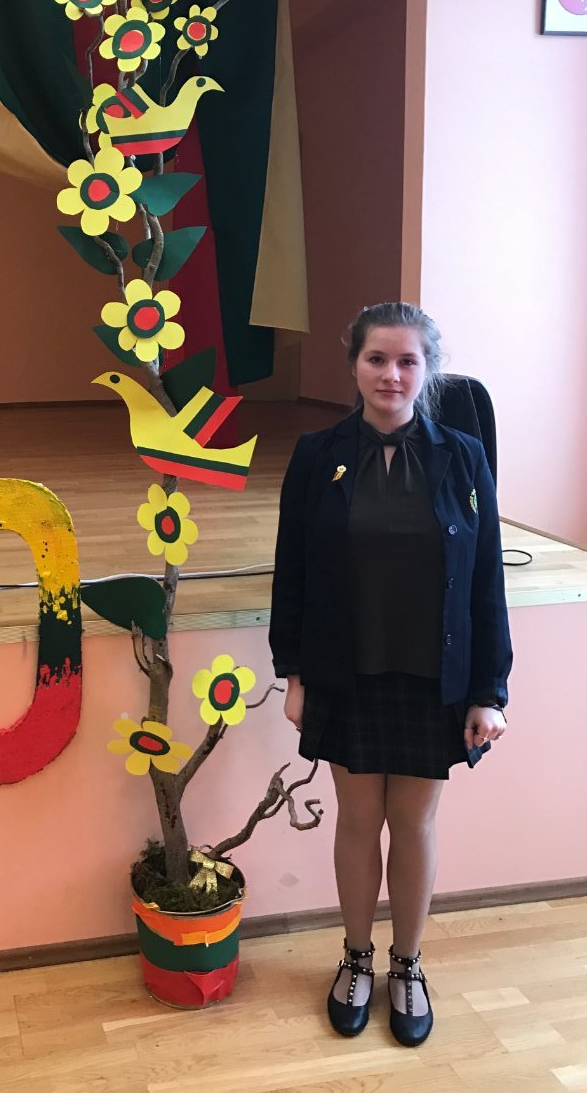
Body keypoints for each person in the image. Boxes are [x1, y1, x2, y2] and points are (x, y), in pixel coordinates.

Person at [269, 302, 511, 1047]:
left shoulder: (462, 456)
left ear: (427, 371)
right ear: (354, 364)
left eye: (408, 361)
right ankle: (355, 958)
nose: (392, 374)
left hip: (434, 677)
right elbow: (292, 570)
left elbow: (486, 579)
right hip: (347, 672)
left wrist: (490, 690)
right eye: (377, 358)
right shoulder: (317, 454)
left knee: (414, 824)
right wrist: (293, 672)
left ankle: (407, 964)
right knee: (357, 822)